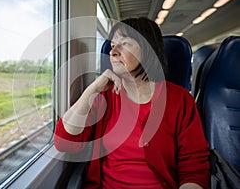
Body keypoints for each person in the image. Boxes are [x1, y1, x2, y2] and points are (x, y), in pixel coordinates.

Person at [54, 17, 210, 189]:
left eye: (125, 44)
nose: (113, 52)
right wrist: (91, 91)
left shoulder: (180, 100)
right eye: (113, 46)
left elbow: (194, 167)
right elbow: (64, 143)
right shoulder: (103, 97)